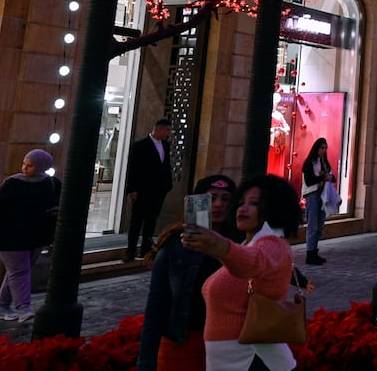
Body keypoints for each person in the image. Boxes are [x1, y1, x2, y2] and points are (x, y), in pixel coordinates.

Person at [181, 174, 301, 371]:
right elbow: (242, 260)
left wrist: (219, 245)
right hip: (235, 360)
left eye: (253, 203)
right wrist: (216, 248)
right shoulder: (248, 245)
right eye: (241, 202)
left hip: (255, 358)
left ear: (273, 208)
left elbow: (253, 262)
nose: (242, 208)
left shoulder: (274, 245)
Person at [138, 174, 237, 371]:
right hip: (182, 344)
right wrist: (146, 360)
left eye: (226, 199)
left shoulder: (241, 246)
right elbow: (157, 305)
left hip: (228, 347)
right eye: (211, 198)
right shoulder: (176, 245)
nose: (218, 204)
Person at [0, 149, 61, 322]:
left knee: (16, 272)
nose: (24, 168)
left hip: (35, 237)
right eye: (24, 164)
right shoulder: (13, 183)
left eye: (30, 166)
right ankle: (23, 308)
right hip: (11, 237)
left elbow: (59, 204)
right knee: (19, 271)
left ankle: (2, 306)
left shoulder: (51, 184)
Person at [126, 118, 174, 261]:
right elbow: (133, 168)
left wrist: (167, 185)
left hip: (159, 190)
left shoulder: (165, 145)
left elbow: (165, 166)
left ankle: (145, 250)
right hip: (142, 190)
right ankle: (130, 251)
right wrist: (132, 189)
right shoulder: (140, 146)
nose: (168, 133)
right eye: (167, 130)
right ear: (159, 129)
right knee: (136, 221)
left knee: (151, 220)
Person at [301, 138, 334, 266]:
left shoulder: (324, 162)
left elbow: (331, 176)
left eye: (325, 148)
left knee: (319, 225)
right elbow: (309, 181)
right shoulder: (310, 162)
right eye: (322, 148)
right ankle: (310, 254)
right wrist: (323, 177)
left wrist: (329, 177)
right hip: (312, 194)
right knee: (313, 225)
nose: (324, 150)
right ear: (317, 148)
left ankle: (314, 251)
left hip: (322, 195)